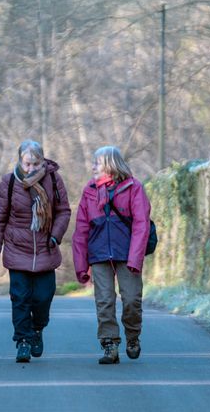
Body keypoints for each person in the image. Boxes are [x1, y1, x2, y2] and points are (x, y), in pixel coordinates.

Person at [0, 140, 71, 363]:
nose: (31, 168)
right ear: (19, 161)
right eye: (27, 163)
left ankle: (37, 328)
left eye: (36, 163)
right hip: (17, 249)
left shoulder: (53, 179)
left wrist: (56, 235)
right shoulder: (9, 182)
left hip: (46, 248)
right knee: (20, 298)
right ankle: (23, 341)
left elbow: (64, 211)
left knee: (43, 297)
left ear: (42, 161)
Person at [72, 146, 151, 365]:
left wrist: (136, 258)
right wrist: (81, 266)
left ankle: (133, 336)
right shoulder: (89, 191)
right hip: (98, 254)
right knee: (104, 301)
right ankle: (110, 344)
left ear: (110, 164)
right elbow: (81, 230)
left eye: (97, 162)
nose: (92, 167)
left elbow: (141, 225)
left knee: (132, 299)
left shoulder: (133, 188)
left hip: (127, 254)